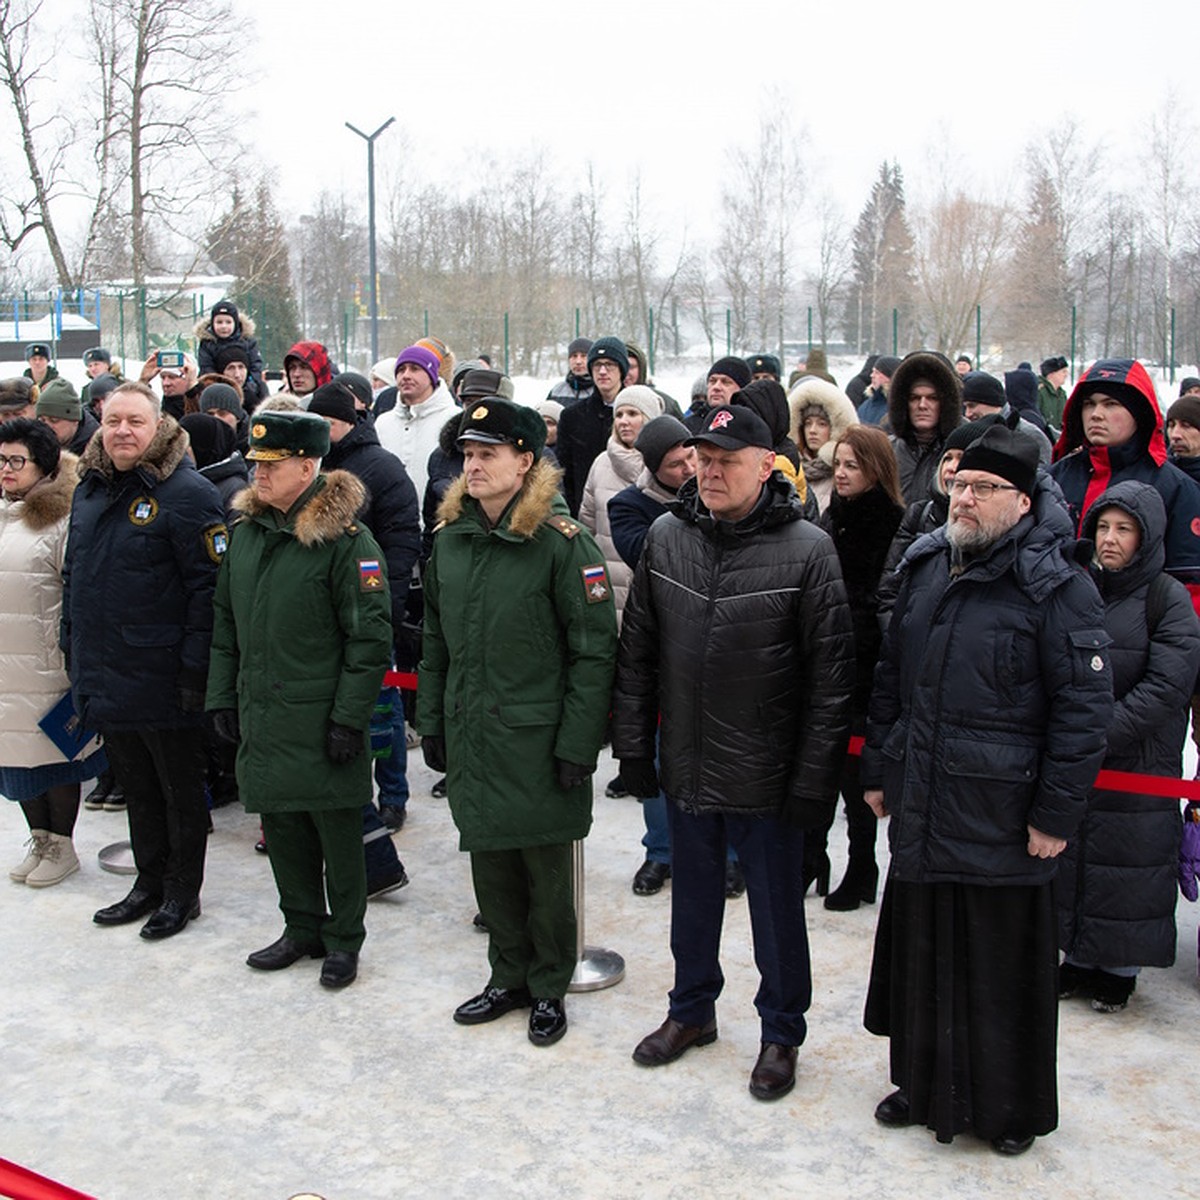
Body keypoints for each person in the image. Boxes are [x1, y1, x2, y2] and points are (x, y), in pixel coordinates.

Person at [861, 420, 1113, 1156]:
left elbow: (1082, 714)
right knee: (924, 953)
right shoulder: (926, 562)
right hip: (925, 799)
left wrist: (1055, 814)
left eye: (983, 488)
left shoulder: (1058, 586)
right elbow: (890, 679)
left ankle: (1007, 1109)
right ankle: (920, 1083)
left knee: (999, 971)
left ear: (1025, 500)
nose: (964, 499)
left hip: (1006, 815)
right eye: (958, 484)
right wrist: (880, 767)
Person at [613, 404, 854, 1102]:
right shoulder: (667, 535)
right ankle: (691, 1011)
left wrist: (814, 783)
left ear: (764, 465)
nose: (709, 471)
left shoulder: (808, 549)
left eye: (725, 459)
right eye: (701, 458)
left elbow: (832, 681)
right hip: (687, 762)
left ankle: (782, 1032)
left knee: (777, 917)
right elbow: (639, 655)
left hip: (769, 777)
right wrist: (634, 750)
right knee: (691, 904)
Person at [416, 398, 617, 1047]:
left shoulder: (561, 544)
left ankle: (550, 984)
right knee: (489, 859)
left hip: (537, 739)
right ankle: (508, 975)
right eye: (467, 455)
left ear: (525, 461)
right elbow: (436, 644)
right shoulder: (450, 542)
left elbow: (593, 650)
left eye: (487, 454)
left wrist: (579, 742)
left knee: (546, 871)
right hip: (475, 732)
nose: (471, 466)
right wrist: (434, 721)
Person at [207, 411, 393, 989]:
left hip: (320, 716)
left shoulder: (346, 542)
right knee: (283, 825)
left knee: (337, 836)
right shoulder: (247, 534)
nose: (257, 473)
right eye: (255, 463)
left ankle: (344, 939)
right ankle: (301, 927)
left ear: (308, 466)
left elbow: (369, 640)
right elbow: (224, 624)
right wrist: (222, 697)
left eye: (271, 464)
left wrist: (347, 719)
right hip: (264, 711)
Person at [64, 381, 228, 939]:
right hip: (108, 671)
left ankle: (182, 892)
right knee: (135, 785)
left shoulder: (186, 493)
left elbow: (210, 593)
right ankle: (148, 881)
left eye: (135, 421)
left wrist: (194, 672)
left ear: (158, 426)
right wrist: (73, 649)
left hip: (164, 675)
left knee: (179, 791)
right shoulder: (89, 489)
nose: (122, 432)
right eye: (113, 422)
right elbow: (77, 581)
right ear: (100, 424)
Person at [1055, 482, 1200, 1011]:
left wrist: (1098, 731)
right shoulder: (1077, 589)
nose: (1109, 540)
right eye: (1102, 527)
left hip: (1136, 760)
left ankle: (1118, 967)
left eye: (1123, 529)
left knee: (1128, 861)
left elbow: (1167, 686)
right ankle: (1077, 956)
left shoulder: (1168, 599)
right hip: (1079, 758)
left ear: (1148, 536)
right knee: (1075, 857)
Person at [307, 379, 421, 838]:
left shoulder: (381, 467)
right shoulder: (310, 466)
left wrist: (385, 603)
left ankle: (392, 796)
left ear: (345, 423)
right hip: (321, 615)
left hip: (370, 611)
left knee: (383, 705)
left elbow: (401, 540)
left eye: (327, 424)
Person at [1, 419, 105, 888]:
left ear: (42, 465)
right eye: (1, 460)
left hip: (46, 664)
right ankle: (39, 837)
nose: (5, 469)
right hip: (6, 663)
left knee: (53, 756)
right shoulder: (3, 513)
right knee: (14, 756)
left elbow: (79, 593)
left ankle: (61, 843)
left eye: (15, 461)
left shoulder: (61, 518)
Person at [808, 426, 905, 909]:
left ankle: (862, 866)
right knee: (820, 770)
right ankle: (814, 856)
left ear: (876, 469)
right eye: (839, 464)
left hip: (866, 666)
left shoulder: (891, 521)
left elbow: (884, 599)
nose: (841, 473)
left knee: (856, 776)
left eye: (852, 465)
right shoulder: (833, 513)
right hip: (826, 658)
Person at [1049, 358, 1200, 613]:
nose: (1096, 414)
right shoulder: (1056, 477)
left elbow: (1190, 585)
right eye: (1089, 404)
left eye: (1111, 404)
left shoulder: (1176, 487)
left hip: (1136, 639)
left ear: (1138, 413)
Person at [579, 385, 663, 622]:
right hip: (607, 582)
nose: (624, 421)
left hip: (653, 585)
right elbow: (586, 526)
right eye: (619, 415)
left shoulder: (667, 464)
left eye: (633, 414)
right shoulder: (601, 463)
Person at [373, 344, 459, 505]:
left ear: (431, 375)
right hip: (392, 523)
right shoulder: (383, 422)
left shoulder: (453, 419)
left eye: (415, 369)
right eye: (401, 370)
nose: (406, 375)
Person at [556, 335, 629, 516]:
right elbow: (564, 474)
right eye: (597, 365)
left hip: (628, 511)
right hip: (585, 512)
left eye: (609, 365)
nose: (603, 371)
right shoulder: (572, 417)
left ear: (621, 370)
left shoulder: (638, 414)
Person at [886, 351, 964, 504]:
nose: (922, 405)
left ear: (945, 403)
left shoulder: (967, 448)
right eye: (914, 398)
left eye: (932, 398)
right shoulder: (888, 450)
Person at [789, 376, 860, 515]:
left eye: (822, 424)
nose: (812, 430)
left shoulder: (843, 473)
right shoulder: (791, 469)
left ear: (835, 427)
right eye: (808, 423)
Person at [195, 300, 266, 407]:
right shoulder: (207, 343)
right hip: (218, 388)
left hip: (246, 387)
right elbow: (206, 367)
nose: (224, 326)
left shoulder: (247, 341)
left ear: (236, 323)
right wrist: (219, 385)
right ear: (212, 324)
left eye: (228, 322)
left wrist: (251, 383)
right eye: (219, 322)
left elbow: (256, 365)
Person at [36, 378, 100, 456]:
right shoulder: (36, 444)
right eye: (42, 420)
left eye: (54, 420)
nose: (47, 426)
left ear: (75, 420)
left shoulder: (98, 451)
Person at [546, 337, 595, 407]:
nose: (578, 361)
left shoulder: (601, 390)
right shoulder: (557, 391)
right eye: (574, 356)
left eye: (583, 356)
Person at [1037, 356, 1070, 431]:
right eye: (1063, 371)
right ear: (1051, 374)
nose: (1066, 375)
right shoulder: (1040, 392)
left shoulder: (1062, 394)